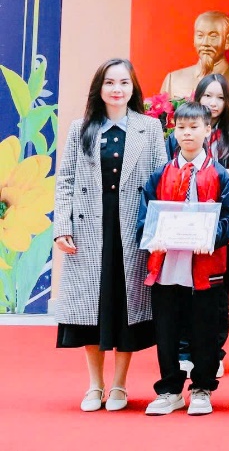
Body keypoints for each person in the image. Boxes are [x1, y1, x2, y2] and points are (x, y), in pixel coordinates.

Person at [54, 59, 167, 413]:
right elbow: (65, 180)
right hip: (89, 228)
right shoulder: (81, 128)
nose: (117, 89)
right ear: (98, 88)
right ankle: (94, 385)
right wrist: (62, 227)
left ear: (134, 88)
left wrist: (160, 229)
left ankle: (119, 384)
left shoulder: (150, 128)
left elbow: (161, 181)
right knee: (92, 306)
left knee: (125, 304)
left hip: (132, 228)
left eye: (124, 83)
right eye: (109, 82)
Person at [139, 102, 229, 416]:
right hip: (167, 267)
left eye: (194, 127)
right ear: (173, 132)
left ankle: (202, 388)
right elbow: (145, 216)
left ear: (208, 130)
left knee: (205, 330)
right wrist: (153, 235)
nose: (187, 133)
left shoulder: (219, 175)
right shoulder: (161, 174)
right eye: (181, 127)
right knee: (167, 331)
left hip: (205, 267)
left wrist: (210, 238)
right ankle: (170, 389)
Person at [181, 72, 229, 378]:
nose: (213, 103)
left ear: (228, 103)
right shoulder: (182, 134)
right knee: (184, 288)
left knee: (216, 293)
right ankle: (184, 350)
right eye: (207, 96)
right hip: (185, 226)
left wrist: (225, 197)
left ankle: (214, 351)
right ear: (197, 98)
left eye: (220, 97)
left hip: (222, 228)